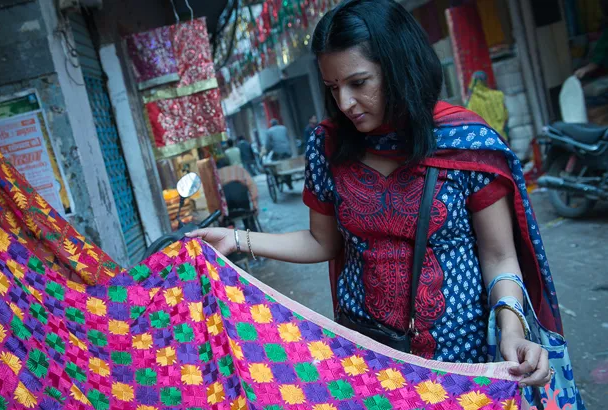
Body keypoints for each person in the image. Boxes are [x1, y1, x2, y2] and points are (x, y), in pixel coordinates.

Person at [190, 0, 560, 387]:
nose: (344, 104)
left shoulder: (465, 143)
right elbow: (322, 241)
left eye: (358, 83)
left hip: (458, 364)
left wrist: (512, 329)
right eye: (333, 88)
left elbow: (500, 257)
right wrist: (235, 239)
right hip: (366, 356)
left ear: (400, 68)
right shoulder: (329, 145)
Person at [216, 157, 260, 232]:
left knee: (225, 222)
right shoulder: (238, 169)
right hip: (243, 202)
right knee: (249, 218)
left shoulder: (216, 174)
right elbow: (251, 184)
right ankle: (252, 231)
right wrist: (255, 203)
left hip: (227, 206)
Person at [265, 119, 294, 189]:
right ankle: (289, 182)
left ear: (271, 125)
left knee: (273, 165)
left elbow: (268, 145)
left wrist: (268, 151)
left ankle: (277, 180)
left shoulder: (269, 131)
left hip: (278, 152)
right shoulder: (283, 128)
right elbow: (287, 138)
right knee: (287, 165)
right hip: (287, 150)